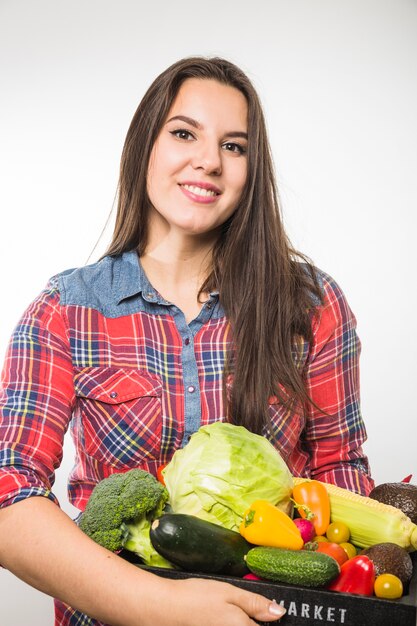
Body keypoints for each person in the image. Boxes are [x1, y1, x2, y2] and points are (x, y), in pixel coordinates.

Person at [0, 56, 374, 626]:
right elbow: (8, 495)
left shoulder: (310, 306)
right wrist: (161, 605)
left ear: (252, 169)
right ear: (144, 146)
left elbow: (339, 472)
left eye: (235, 146)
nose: (208, 161)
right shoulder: (65, 311)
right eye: (183, 133)